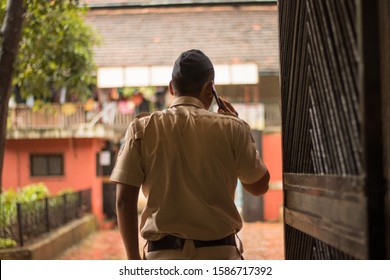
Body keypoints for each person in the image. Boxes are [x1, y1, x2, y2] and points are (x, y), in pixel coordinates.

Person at [110, 49, 270, 260]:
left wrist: (133, 262)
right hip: (220, 256)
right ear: (209, 89)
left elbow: (124, 201)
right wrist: (239, 128)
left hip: (162, 258)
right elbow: (259, 186)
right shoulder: (232, 127)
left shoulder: (143, 128)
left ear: (171, 88)